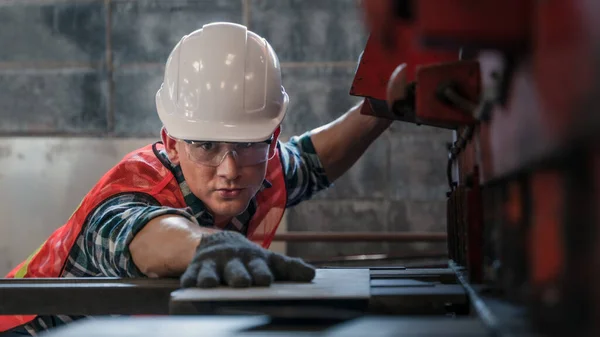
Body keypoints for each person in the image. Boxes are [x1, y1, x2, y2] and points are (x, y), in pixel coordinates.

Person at [0, 22, 392, 336]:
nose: (230, 169)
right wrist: (208, 244)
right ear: (171, 144)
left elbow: (311, 161)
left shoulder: (261, 164)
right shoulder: (132, 189)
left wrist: (383, 105)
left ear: (272, 138)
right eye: (205, 146)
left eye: (248, 143)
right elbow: (145, 235)